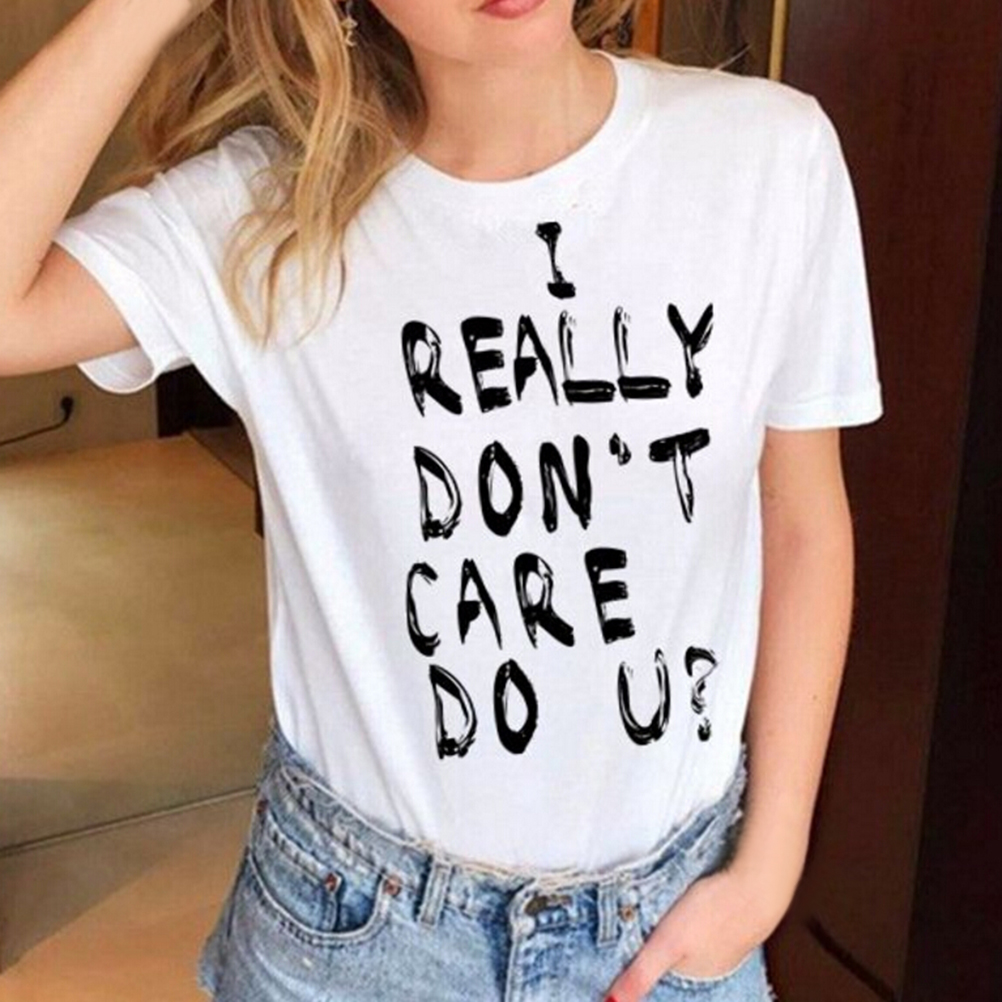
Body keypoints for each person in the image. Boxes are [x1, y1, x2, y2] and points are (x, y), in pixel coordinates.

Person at [0, 0, 885, 999]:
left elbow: (803, 523)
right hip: (351, 936)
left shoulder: (767, 157)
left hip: (674, 917)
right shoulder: (260, 209)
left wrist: (770, 867)